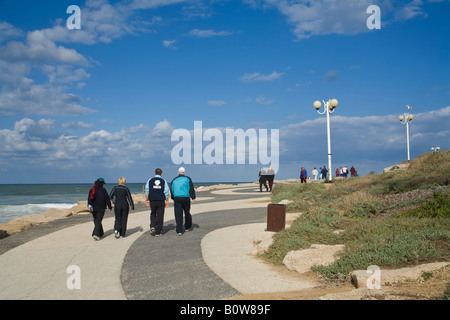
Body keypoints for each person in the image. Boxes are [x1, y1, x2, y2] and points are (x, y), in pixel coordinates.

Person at [170, 167, 196, 236]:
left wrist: (173, 197)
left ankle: (179, 230)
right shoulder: (187, 179)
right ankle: (187, 226)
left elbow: (172, 189)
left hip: (177, 198)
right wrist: (193, 197)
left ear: (178, 172)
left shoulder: (174, 180)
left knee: (178, 214)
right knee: (187, 212)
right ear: (184, 172)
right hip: (186, 197)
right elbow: (191, 188)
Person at [145, 168, 169, 237]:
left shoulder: (150, 180)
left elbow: (147, 190)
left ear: (154, 173)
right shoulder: (163, 181)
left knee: (153, 213)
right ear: (161, 174)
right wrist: (167, 200)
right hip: (161, 200)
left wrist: (147, 199)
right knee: (160, 215)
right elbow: (166, 192)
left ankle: (152, 226)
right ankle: (158, 231)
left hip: (152, 199)